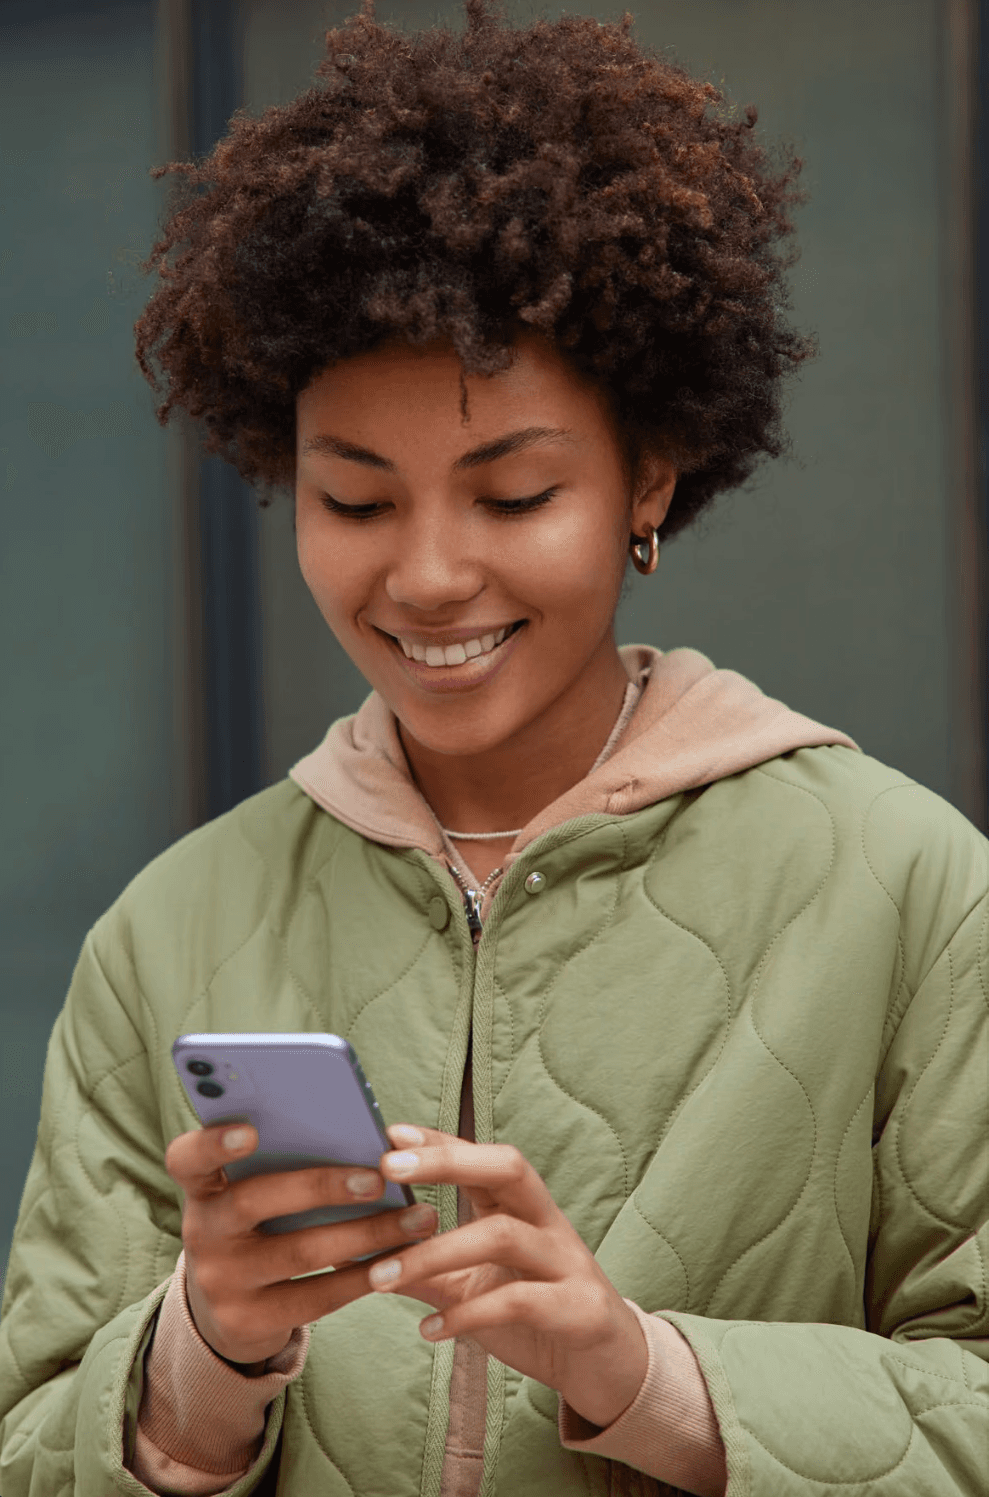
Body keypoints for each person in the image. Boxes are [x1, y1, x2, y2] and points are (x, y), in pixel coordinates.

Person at [1, 2, 986, 1494]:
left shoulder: (909, 892)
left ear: (649, 476)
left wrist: (643, 1373)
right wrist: (205, 1355)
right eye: (357, 500)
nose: (431, 575)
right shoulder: (169, 932)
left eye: (514, 495)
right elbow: (32, 1443)